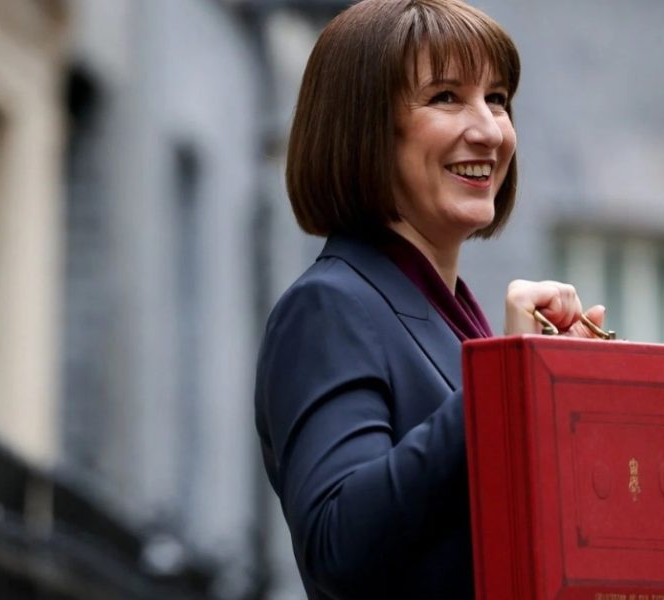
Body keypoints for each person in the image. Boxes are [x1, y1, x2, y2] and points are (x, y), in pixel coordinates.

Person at [253, 1, 609, 598]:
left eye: (497, 98)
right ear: (362, 126)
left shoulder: (457, 324)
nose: (490, 130)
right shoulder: (329, 306)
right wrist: (506, 381)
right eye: (446, 97)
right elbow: (337, 541)